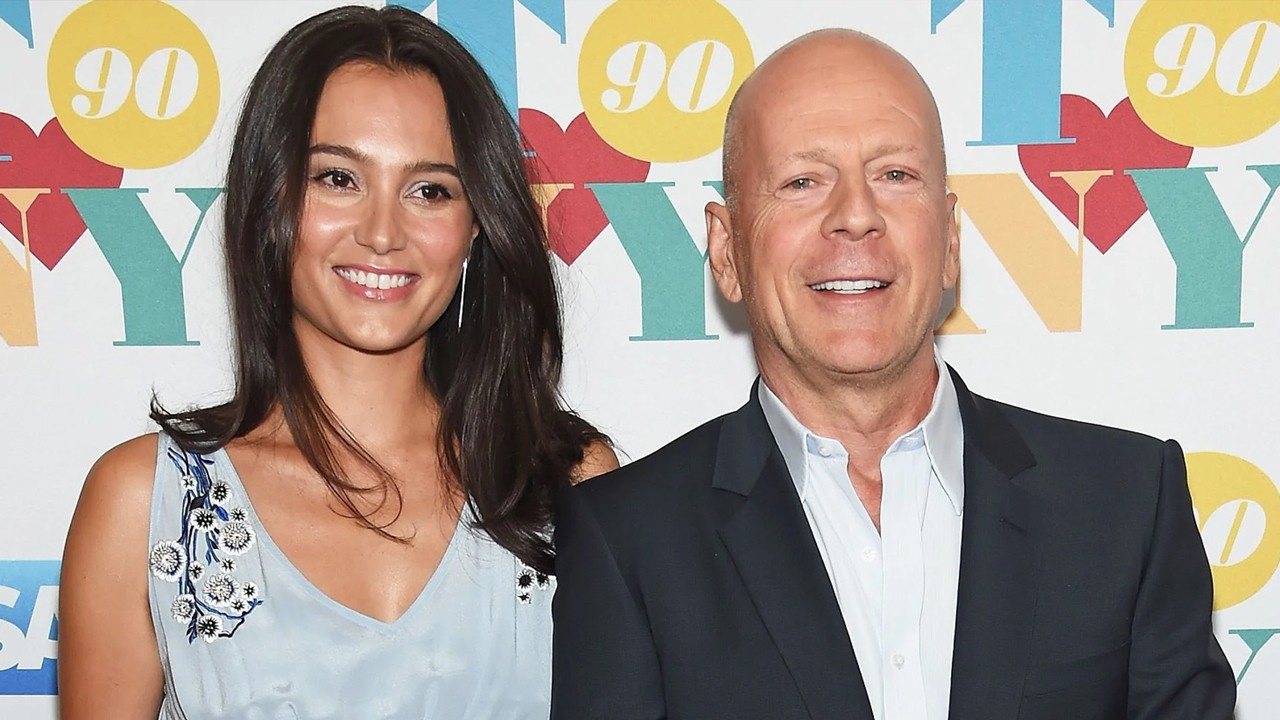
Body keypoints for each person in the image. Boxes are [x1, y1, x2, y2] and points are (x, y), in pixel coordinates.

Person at [550, 28, 1234, 720]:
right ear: (726, 252)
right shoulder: (627, 541)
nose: (856, 216)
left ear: (950, 240)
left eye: (895, 176)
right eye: (802, 182)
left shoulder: (1126, 505)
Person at [58, 6, 615, 719]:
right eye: (338, 179)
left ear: (476, 225)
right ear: (271, 198)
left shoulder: (570, 486)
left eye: (430, 190)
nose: (382, 232)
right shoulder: (145, 503)